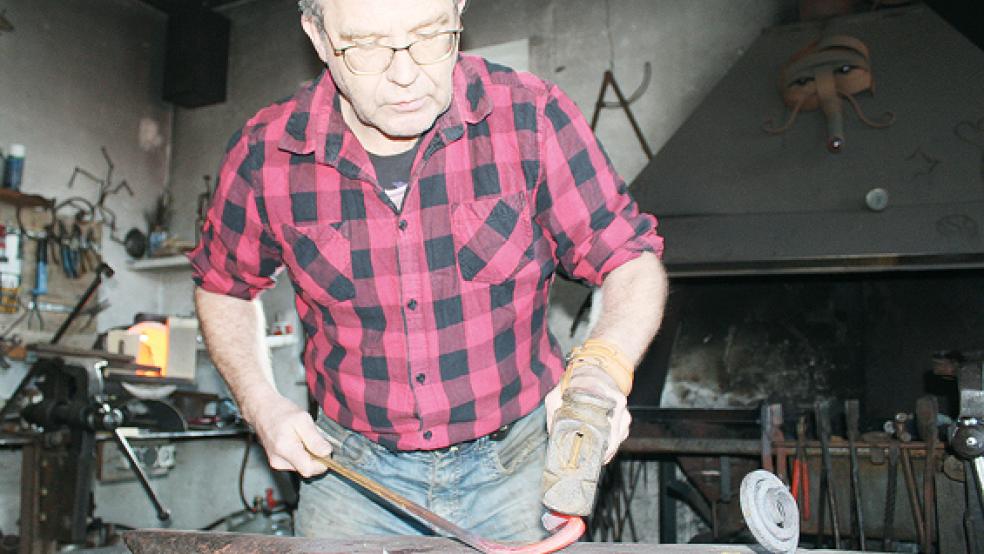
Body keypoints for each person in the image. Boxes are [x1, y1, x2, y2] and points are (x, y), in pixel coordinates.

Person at [189, 0, 668, 542]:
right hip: (351, 475)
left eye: (430, 35)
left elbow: (629, 257)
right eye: (366, 46)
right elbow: (222, 286)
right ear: (318, 38)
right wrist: (262, 405)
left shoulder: (530, 115)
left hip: (520, 466)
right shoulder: (266, 152)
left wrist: (602, 369)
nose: (405, 74)